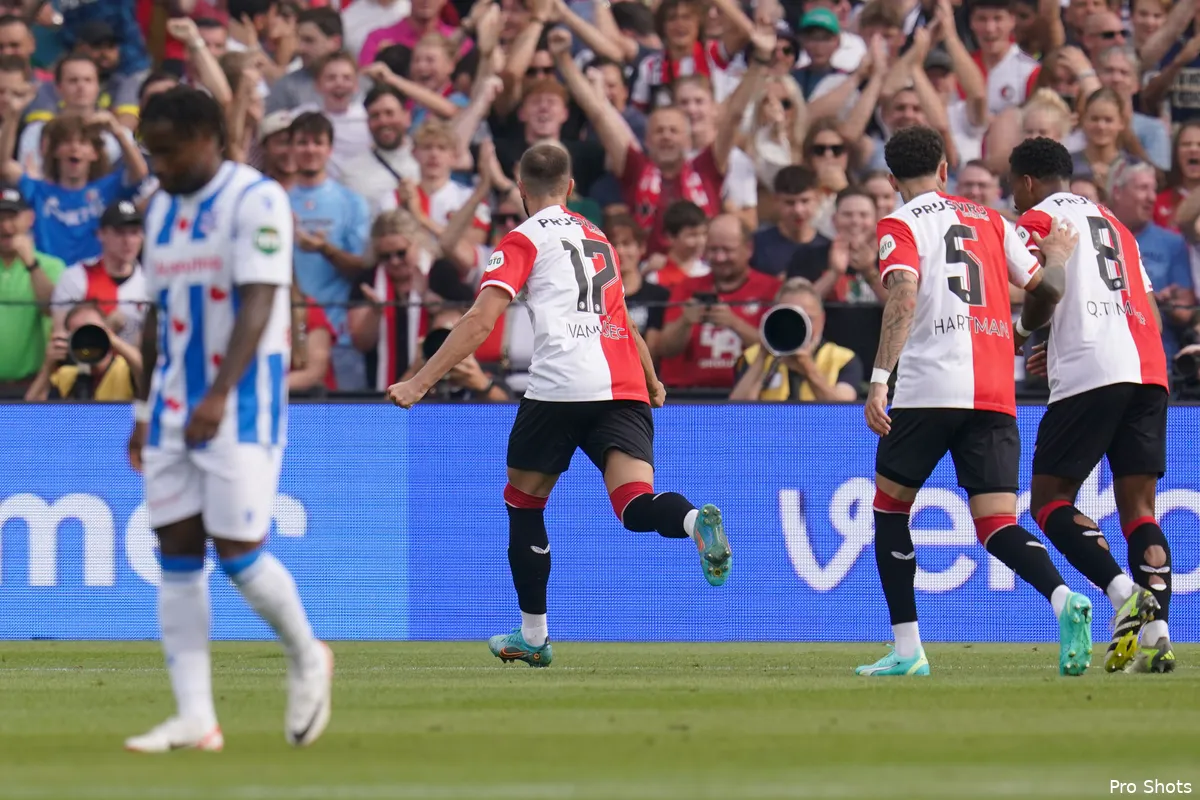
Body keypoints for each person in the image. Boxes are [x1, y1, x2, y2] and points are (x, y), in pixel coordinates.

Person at [386, 143, 732, 666]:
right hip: (621, 387)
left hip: (559, 388)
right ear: (570, 189)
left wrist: (419, 381)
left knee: (523, 502)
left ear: (522, 190)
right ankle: (691, 524)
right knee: (635, 504)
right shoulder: (599, 239)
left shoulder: (521, 239)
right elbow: (622, 318)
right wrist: (652, 377)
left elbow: (480, 320)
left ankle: (534, 634)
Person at [125, 86, 332, 752]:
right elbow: (157, 314)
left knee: (240, 555)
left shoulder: (255, 199)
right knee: (177, 557)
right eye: (150, 153)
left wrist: (217, 393)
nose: (157, 165)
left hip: (241, 406)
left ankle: (308, 655)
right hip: (171, 409)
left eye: (167, 152)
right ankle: (196, 718)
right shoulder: (158, 210)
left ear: (210, 138)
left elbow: (260, 300)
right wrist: (142, 405)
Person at [860, 125, 1091, 678]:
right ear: (945, 169)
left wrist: (877, 379)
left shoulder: (898, 224)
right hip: (993, 391)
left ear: (892, 179)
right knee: (996, 525)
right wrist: (1056, 254)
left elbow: (904, 293)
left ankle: (908, 650)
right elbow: (1047, 290)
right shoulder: (993, 220)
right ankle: (1064, 599)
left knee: (890, 509)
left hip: (928, 389)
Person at [1010, 136, 1175, 673]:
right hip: (1148, 366)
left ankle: (1123, 591)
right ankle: (1156, 637)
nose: (1015, 196)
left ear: (1028, 182)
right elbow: (1143, 303)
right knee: (1139, 511)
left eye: (1014, 185)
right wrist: (1052, 345)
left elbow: (1045, 293)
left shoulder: (1037, 220)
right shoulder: (1119, 227)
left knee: (1048, 500)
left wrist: (1023, 331)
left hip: (1091, 369)